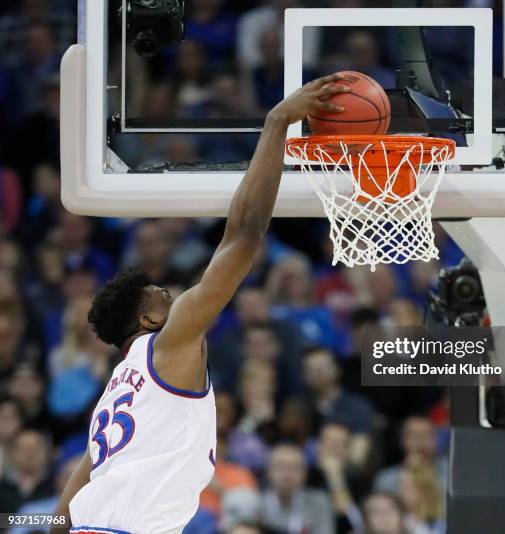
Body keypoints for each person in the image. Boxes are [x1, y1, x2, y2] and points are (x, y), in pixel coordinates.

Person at [51, 74, 349, 534]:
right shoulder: (168, 346)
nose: (177, 296)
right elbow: (244, 236)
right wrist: (275, 124)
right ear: (147, 319)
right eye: (164, 296)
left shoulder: (118, 390)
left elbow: (70, 498)